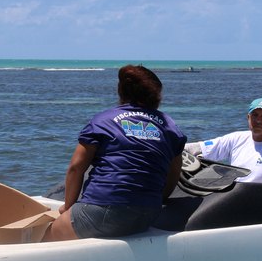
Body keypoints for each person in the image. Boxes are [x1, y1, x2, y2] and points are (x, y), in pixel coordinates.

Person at [43, 65, 186, 241]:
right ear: (156, 95)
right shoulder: (170, 126)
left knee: (49, 235)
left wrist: (68, 208)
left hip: (104, 209)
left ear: (121, 92)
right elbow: (173, 174)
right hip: (148, 213)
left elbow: (76, 168)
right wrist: (155, 200)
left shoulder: (102, 121)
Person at [184, 97, 262, 185]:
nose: (258, 120)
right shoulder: (236, 139)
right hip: (235, 198)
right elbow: (198, 148)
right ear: (248, 118)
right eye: (254, 115)